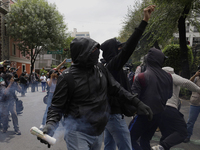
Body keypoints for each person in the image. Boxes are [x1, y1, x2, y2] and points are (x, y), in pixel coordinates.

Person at [37, 36, 153, 149]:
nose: (96, 52)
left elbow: (117, 89)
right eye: (92, 49)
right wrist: (50, 125)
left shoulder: (101, 69)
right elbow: (56, 107)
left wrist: (136, 102)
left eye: (96, 49)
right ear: (82, 53)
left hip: (98, 132)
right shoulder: (67, 77)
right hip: (77, 133)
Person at [100, 5, 155, 150]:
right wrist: (144, 21)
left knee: (109, 146)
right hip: (113, 115)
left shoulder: (109, 67)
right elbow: (129, 47)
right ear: (112, 51)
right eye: (119, 48)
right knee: (126, 147)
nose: (121, 50)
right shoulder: (112, 65)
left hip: (110, 113)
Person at [129, 48, 173, 150]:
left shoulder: (141, 77)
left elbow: (134, 97)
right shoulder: (168, 76)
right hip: (159, 115)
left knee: (130, 139)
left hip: (143, 115)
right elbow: (169, 95)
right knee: (145, 140)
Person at [152, 66, 200, 150]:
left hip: (158, 109)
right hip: (169, 108)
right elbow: (186, 83)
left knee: (166, 133)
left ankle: (161, 147)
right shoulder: (171, 76)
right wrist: (198, 89)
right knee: (182, 132)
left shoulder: (157, 79)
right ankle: (161, 147)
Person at [184, 69, 200, 143]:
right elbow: (189, 83)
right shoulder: (196, 78)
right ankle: (187, 136)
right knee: (190, 121)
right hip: (195, 102)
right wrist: (195, 75)